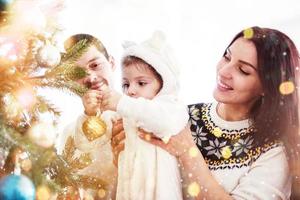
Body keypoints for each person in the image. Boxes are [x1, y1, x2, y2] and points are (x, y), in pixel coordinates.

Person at [111, 26, 300, 199]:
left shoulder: (273, 153)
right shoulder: (180, 116)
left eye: (243, 70)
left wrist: (188, 151)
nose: (224, 71)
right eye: (227, 56)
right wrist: (122, 153)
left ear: (267, 86)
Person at [99, 31, 189, 200]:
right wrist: (96, 109)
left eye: (141, 83)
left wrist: (121, 103)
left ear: (163, 83)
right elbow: (102, 130)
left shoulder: (170, 107)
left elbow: (164, 123)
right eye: (126, 84)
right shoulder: (129, 111)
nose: (130, 90)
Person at [57, 33, 117, 199]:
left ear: (111, 63)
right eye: (77, 74)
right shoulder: (70, 134)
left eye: (96, 65)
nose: (90, 78)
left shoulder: (141, 114)